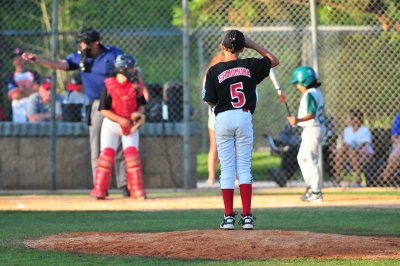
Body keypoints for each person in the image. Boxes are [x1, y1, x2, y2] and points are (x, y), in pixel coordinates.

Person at [21, 28, 130, 196]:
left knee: (121, 144)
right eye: (80, 42)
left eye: (84, 42)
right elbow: (61, 65)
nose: (81, 45)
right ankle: (100, 186)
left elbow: (128, 70)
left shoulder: (113, 53)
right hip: (97, 104)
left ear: (96, 43)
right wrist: (39, 59)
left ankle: (125, 185)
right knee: (97, 146)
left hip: (116, 102)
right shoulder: (80, 57)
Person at [203, 29, 279, 230]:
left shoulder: (214, 70)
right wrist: (253, 44)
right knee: (244, 168)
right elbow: (273, 60)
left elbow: (210, 100)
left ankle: (228, 217)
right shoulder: (250, 64)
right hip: (244, 115)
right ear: (243, 48)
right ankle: (247, 217)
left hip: (223, 117)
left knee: (227, 169)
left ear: (222, 47)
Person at [90, 54, 147, 200]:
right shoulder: (109, 85)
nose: (133, 71)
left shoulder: (135, 85)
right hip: (112, 124)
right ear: (122, 69)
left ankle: (136, 190)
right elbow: (103, 109)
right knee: (106, 156)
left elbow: (141, 105)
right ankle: (99, 190)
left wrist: (138, 115)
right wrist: (121, 120)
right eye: (131, 68)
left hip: (130, 125)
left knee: (132, 157)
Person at [287, 66, 326, 202]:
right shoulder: (316, 92)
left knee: (310, 159)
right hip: (313, 128)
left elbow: (311, 114)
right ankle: (311, 186)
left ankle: (316, 191)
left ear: (304, 82)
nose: (297, 86)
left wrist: (297, 120)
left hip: (313, 128)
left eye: (298, 83)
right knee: (302, 158)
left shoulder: (309, 94)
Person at [332, 108, 374, 187]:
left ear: (356, 119)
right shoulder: (347, 130)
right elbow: (345, 144)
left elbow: (363, 145)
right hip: (348, 153)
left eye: (349, 117)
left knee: (347, 150)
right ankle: (338, 179)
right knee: (343, 151)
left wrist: (349, 147)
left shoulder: (365, 130)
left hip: (363, 153)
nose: (347, 120)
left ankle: (355, 178)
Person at [5, 47, 40, 122]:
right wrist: (31, 91)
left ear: (25, 59)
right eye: (16, 58)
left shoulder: (34, 74)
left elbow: (39, 93)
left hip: (33, 110)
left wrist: (22, 90)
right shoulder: (10, 76)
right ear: (13, 61)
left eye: (21, 57)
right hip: (17, 111)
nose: (19, 60)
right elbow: (14, 95)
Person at [205, 52, 225, 186]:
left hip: (229, 114)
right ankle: (211, 177)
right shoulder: (211, 73)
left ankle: (234, 176)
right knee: (215, 146)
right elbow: (206, 96)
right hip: (215, 115)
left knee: (234, 147)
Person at [267, 122, 302, 187]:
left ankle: (283, 176)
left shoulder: (315, 117)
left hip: (308, 146)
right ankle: (282, 175)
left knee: (293, 151)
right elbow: (283, 134)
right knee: (290, 151)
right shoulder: (295, 118)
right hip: (292, 146)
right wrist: (286, 142)